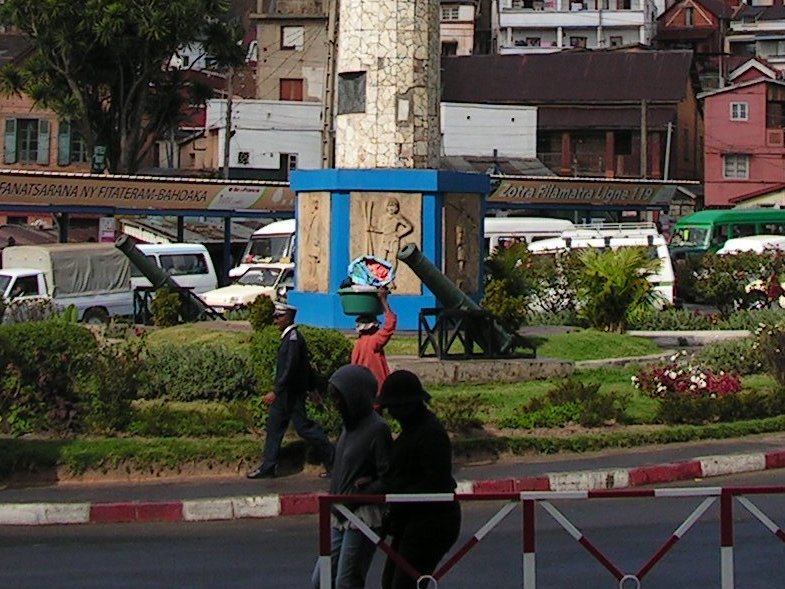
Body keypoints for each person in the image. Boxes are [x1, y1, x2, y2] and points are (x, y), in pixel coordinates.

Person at [367, 369, 462, 589]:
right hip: (413, 518)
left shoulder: (430, 434)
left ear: (407, 405)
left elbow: (433, 483)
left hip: (432, 521)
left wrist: (392, 492)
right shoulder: (413, 430)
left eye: (393, 406)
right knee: (392, 582)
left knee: (404, 584)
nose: (390, 412)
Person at [311, 364, 392, 589]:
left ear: (355, 396)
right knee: (321, 581)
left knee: (347, 582)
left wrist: (361, 493)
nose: (336, 405)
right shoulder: (348, 426)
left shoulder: (378, 429)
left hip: (363, 517)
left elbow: (388, 477)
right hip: (340, 514)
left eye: (339, 399)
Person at [247, 303, 334, 479]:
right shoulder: (289, 338)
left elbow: (291, 367)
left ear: (288, 318)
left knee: (304, 428)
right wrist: (311, 387)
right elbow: (305, 367)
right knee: (275, 427)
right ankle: (268, 466)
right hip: (288, 394)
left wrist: (276, 391)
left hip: (290, 394)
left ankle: (334, 461)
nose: (275, 321)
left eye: (278, 317)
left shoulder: (293, 339)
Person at [351, 287, 397, 397]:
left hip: (362, 393)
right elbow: (390, 323)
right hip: (376, 391)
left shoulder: (358, 345)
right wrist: (383, 301)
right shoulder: (374, 341)